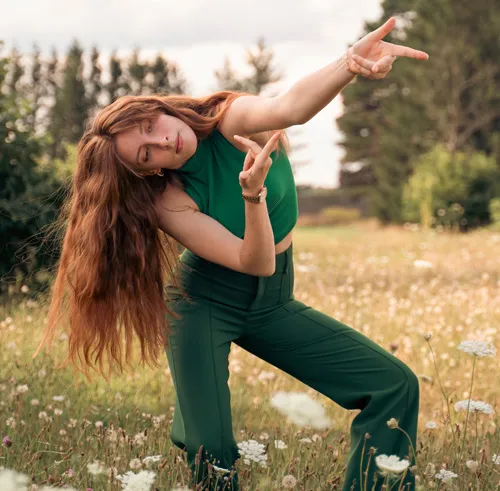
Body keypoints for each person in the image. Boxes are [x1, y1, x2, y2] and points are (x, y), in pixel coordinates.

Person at [34, 17, 429, 491]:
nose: (163, 141)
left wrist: (349, 65)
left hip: (272, 301)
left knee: (393, 384)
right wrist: (252, 196)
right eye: (146, 154)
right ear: (145, 173)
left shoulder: (228, 119)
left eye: (149, 126)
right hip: (203, 304)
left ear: (157, 106)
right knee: (212, 450)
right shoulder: (168, 199)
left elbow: (292, 107)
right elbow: (251, 260)